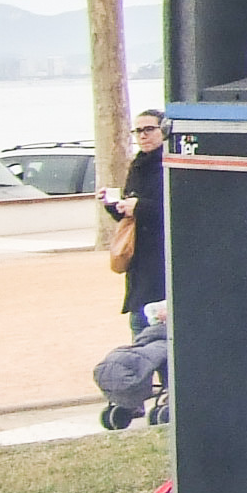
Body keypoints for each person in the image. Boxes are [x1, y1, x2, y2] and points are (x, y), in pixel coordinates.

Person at [100, 108, 168, 331]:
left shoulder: (170, 165)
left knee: (153, 328)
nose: (143, 136)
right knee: (139, 325)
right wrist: (114, 205)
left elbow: (177, 209)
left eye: (149, 129)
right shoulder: (138, 165)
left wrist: (139, 207)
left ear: (163, 130)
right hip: (139, 259)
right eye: (137, 131)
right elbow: (129, 213)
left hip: (162, 256)